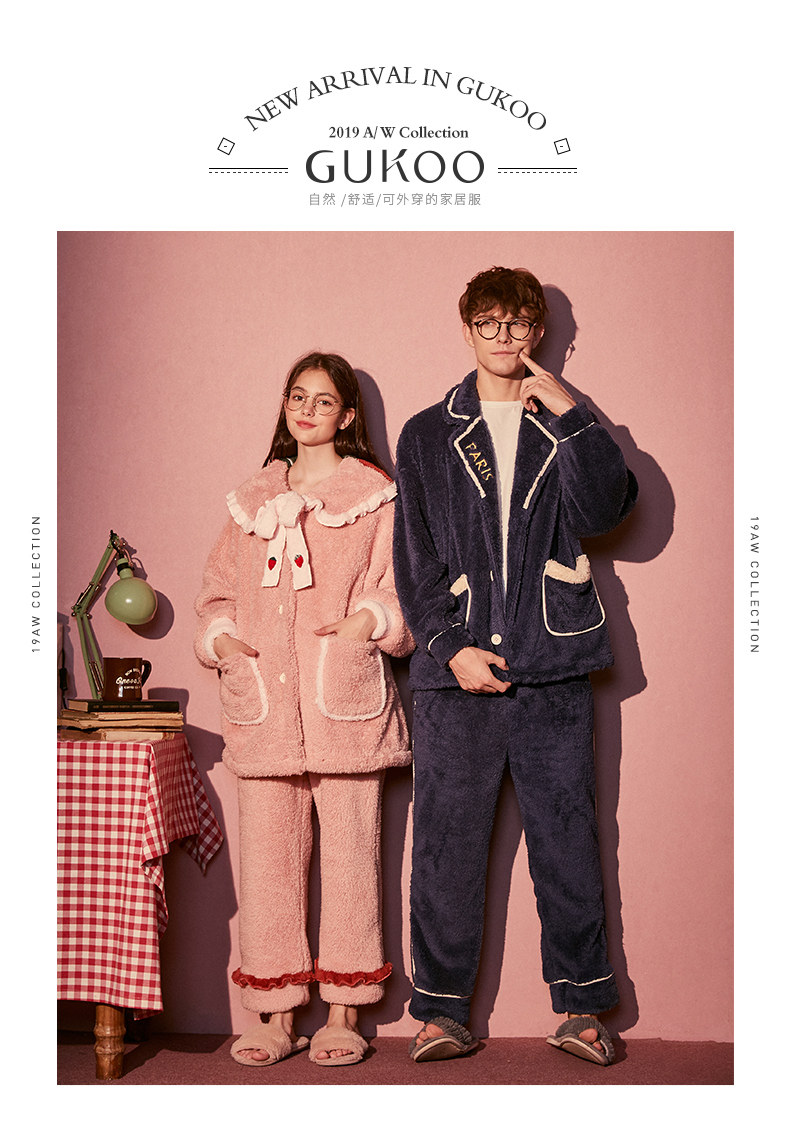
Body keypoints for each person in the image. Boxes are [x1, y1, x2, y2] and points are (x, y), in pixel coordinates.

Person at [393, 266, 638, 1067]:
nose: (504, 337)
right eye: (489, 323)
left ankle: (583, 1007)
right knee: (445, 846)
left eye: (518, 324)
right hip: (456, 674)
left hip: (553, 663)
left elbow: (606, 511)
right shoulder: (427, 433)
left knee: (568, 841)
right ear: (467, 328)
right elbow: (415, 561)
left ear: (538, 332)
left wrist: (572, 417)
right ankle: (439, 1012)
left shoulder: (565, 418)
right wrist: (449, 646)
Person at [195, 351, 413, 1067]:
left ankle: (344, 1011)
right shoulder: (251, 499)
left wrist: (363, 626)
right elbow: (217, 592)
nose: (308, 410)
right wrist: (225, 641)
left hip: (341, 703)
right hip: (262, 708)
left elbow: (398, 586)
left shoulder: (373, 495)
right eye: (297, 396)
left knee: (352, 862)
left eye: (324, 400)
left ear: (347, 414)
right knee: (268, 866)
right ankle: (276, 1013)